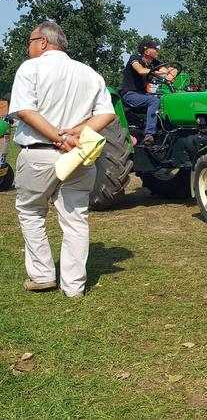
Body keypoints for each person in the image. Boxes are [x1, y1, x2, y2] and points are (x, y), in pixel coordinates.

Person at [8, 21, 116, 298]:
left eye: (30, 41)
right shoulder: (89, 73)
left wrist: (58, 137)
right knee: (75, 220)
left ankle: (42, 275)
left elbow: (24, 111)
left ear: (43, 42)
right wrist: (75, 133)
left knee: (32, 213)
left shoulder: (30, 68)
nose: (28, 47)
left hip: (40, 154)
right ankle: (74, 287)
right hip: (79, 156)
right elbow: (107, 115)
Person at [119, 40, 177, 146]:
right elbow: (140, 70)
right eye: (154, 48)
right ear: (147, 51)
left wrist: (173, 71)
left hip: (143, 94)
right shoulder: (135, 58)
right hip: (130, 94)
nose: (157, 50)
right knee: (154, 101)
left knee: (164, 99)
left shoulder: (154, 63)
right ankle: (149, 134)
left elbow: (167, 73)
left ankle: (167, 131)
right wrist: (160, 72)